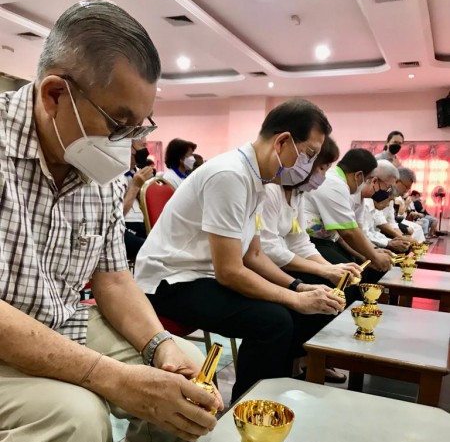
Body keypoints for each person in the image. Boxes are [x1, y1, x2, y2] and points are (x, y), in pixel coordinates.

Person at [0, 0, 222, 442]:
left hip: (58, 323)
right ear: (55, 94)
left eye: (140, 127)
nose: (128, 145)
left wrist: (160, 347)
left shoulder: (94, 164)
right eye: (119, 123)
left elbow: (113, 277)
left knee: (185, 384)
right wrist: (111, 377)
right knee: (72, 422)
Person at [135, 99, 344, 402]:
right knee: (274, 320)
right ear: (283, 141)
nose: (309, 165)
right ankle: (248, 410)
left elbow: (253, 256)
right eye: (309, 154)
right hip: (169, 282)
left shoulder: (258, 179)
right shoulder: (230, 175)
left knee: (288, 312)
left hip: (201, 275)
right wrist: (295, 298)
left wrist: (298, 287)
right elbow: (230, 271)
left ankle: (271, 399)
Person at [259, 136, 360, 384]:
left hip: (281, 259)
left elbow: (300, 241)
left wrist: (331, 268)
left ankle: (308, 359)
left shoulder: (297, 194)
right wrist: (323, 272)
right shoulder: (270, 190)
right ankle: (293, 366)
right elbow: (268, 249)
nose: (323, 176)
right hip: (264, 265)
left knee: (338, 285)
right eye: (321, 168)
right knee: (307, 297)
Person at [303, 151, 396, 277]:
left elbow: (355, 230)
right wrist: (374, 256)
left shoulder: (342, 184)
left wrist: (370, 253)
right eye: (368, 180)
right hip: (313, 241)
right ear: (358, 176)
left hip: (327, 240)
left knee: (357, 269)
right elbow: (348, 232)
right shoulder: (335, 184)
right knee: (350, 276)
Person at [123, 139, 156, 260]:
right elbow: (118, 214)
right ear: (130, 149)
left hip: (142, 222)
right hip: (125, 224)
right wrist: (135, 187)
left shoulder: (139, 172)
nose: (145, 149)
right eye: (142, 145)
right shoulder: (115, 175)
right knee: (153, 250)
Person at [375, 166, 425, 243]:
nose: (406, 191)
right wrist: (400, 237)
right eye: (406, 187)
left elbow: (391, 221)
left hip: (377, 233)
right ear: (397, 181)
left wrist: (401, 236)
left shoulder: (392, 196)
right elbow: (378, 220)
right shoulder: (380, 193)